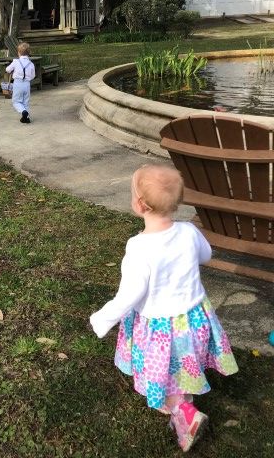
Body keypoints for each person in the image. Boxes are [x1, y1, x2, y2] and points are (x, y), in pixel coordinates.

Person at [89, 164, 238, 453]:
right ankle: (186, 398)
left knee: (165, 368)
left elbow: (129, 295)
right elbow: (206, 255)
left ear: (139, 204)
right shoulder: (189, 232)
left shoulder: (139, 248)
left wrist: (102, 319)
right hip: (194, 318)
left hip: (160, 328)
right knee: (185, 361)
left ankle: (182, 411)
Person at [5, 42, 35, 124]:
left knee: (16, 101)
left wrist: (13, 70)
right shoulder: (31, 64)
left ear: (18, 53)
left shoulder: (16, 62)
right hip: (27, 84)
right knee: (26, 102)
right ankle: (26, 118)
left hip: (18, 84)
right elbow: (33, 76)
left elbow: (7, 70)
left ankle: (23, 112)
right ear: (28, 53)